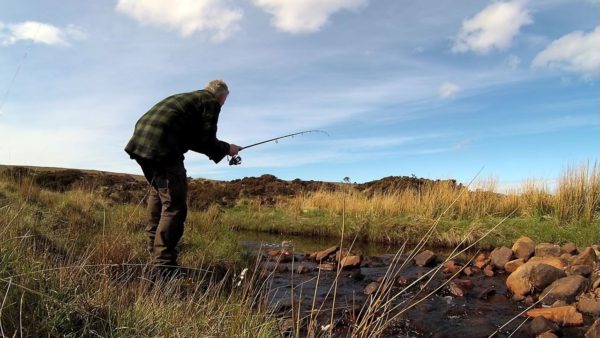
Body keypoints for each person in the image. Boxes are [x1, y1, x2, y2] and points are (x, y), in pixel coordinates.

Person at [125, 79, 240, 273]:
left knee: (159, 195)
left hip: (140, 143)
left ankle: (153, 251)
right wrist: (228, 148)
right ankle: (164, 266)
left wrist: (223, 148)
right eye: (225, 99)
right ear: (222, 95)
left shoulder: (187, 98)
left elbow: (193, 139)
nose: (224, 102)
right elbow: (206, 141)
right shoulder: (210, 102)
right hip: (163, 148)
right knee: (175, 206)